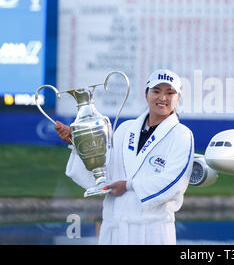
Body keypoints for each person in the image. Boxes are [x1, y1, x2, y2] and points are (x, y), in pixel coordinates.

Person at [54, 69, 194, 244]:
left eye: (170, 92)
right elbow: (104, 173)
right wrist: (78, 144)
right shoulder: (125, 129)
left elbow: (174, 182)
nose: (162, 98)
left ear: (178, 97)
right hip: (114, 230)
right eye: (156, 91)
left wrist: (128, 185)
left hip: (153, 232)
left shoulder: (181, 135)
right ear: (146, 94)